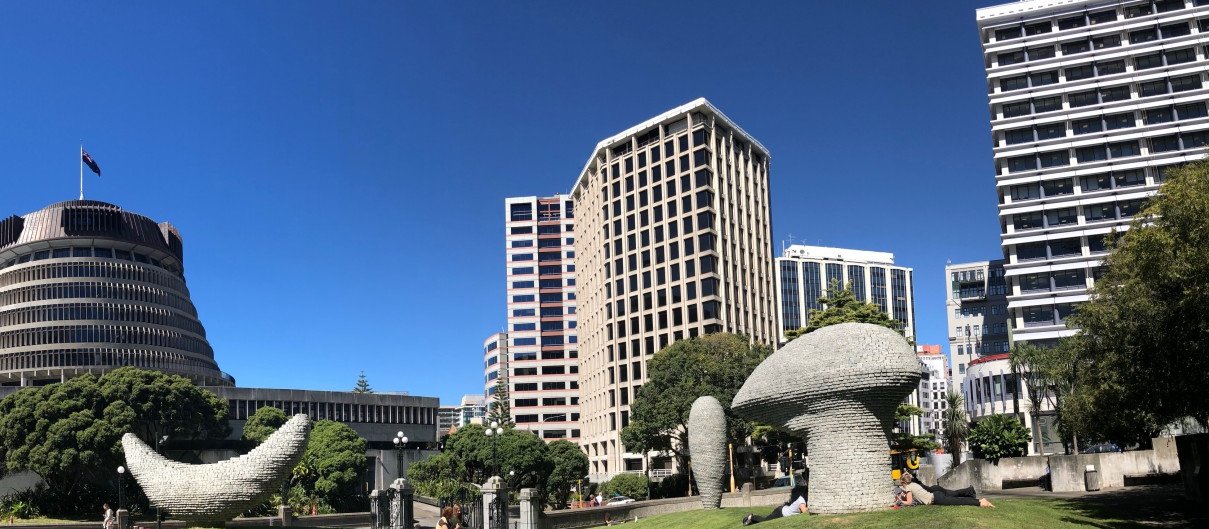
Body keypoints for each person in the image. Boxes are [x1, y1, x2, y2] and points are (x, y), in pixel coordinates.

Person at [899, 472, 994, 508]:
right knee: (956, 498)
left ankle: (980, 502)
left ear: (904, 482)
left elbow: (909, 501)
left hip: (936, 498)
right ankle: (979, 501)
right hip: (936, 495)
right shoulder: (914, 484)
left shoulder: (908, 487)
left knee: (957, 501)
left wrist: (900, 501)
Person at [742, 485, 808, 525]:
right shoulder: (801, 500)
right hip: (781, 512)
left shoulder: (802, 499)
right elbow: (804, 511)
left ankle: (751, 521)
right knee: (765, 520)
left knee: (766, 519)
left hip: (782, 510)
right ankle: (750, 517)